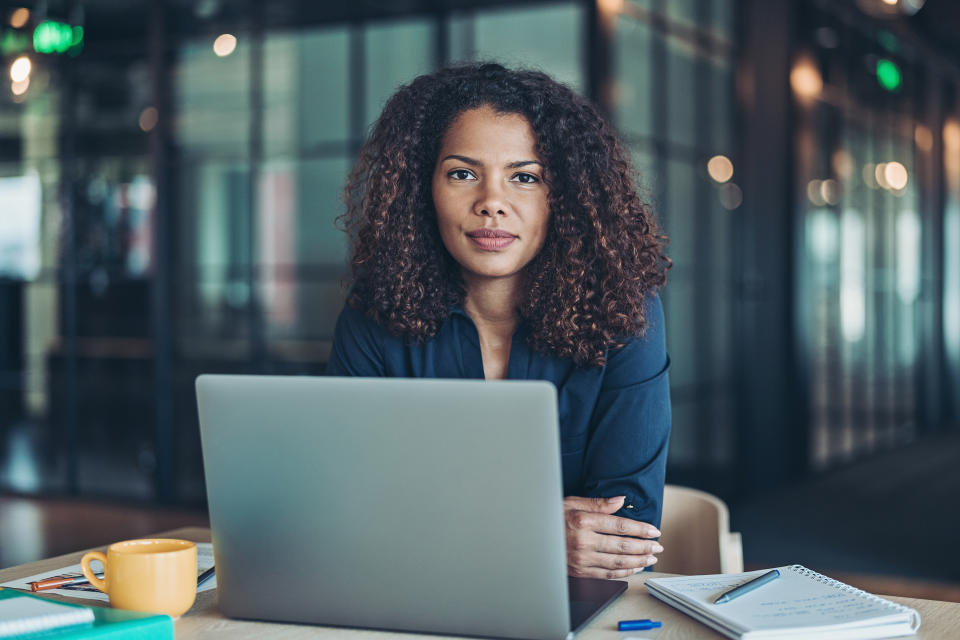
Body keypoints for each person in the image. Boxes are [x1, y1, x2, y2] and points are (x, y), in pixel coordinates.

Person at [327, 63, 671, 580]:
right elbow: (347, 508)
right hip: (409, 593)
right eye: (463, 173)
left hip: (570, 606)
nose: (491, 203)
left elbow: (624, 533)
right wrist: (529, 533)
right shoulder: (374, 316)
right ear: (425, 188)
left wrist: (435, 522)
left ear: (567, 198)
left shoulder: (624, 315)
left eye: (525, 177)